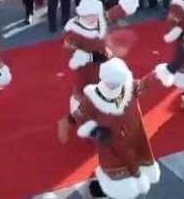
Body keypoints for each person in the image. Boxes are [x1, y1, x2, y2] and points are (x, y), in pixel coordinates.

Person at [72, 58, 178, 199]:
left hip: (135, 139)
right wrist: (95, 131)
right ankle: (100, 191)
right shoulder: (92, 99)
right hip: (113, 146)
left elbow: (147, 83)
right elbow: (80, 115)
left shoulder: (129, 88)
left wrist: (168, 69)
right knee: (118, 178)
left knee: (136, 169)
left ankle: (109, 190)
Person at [57, 0, 139, 143]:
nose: (96, 18)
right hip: (87, 71)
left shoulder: (99, 20)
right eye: (92, 15)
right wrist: (86, 57)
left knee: (104, 96)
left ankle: (100, 124)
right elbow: (68, 52)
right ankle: (78, 124)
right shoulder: (75, 31)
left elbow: (110, 15)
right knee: (85, 99)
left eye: (96, 14)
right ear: (83, 14)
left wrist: (124, 7)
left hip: (105, 68)